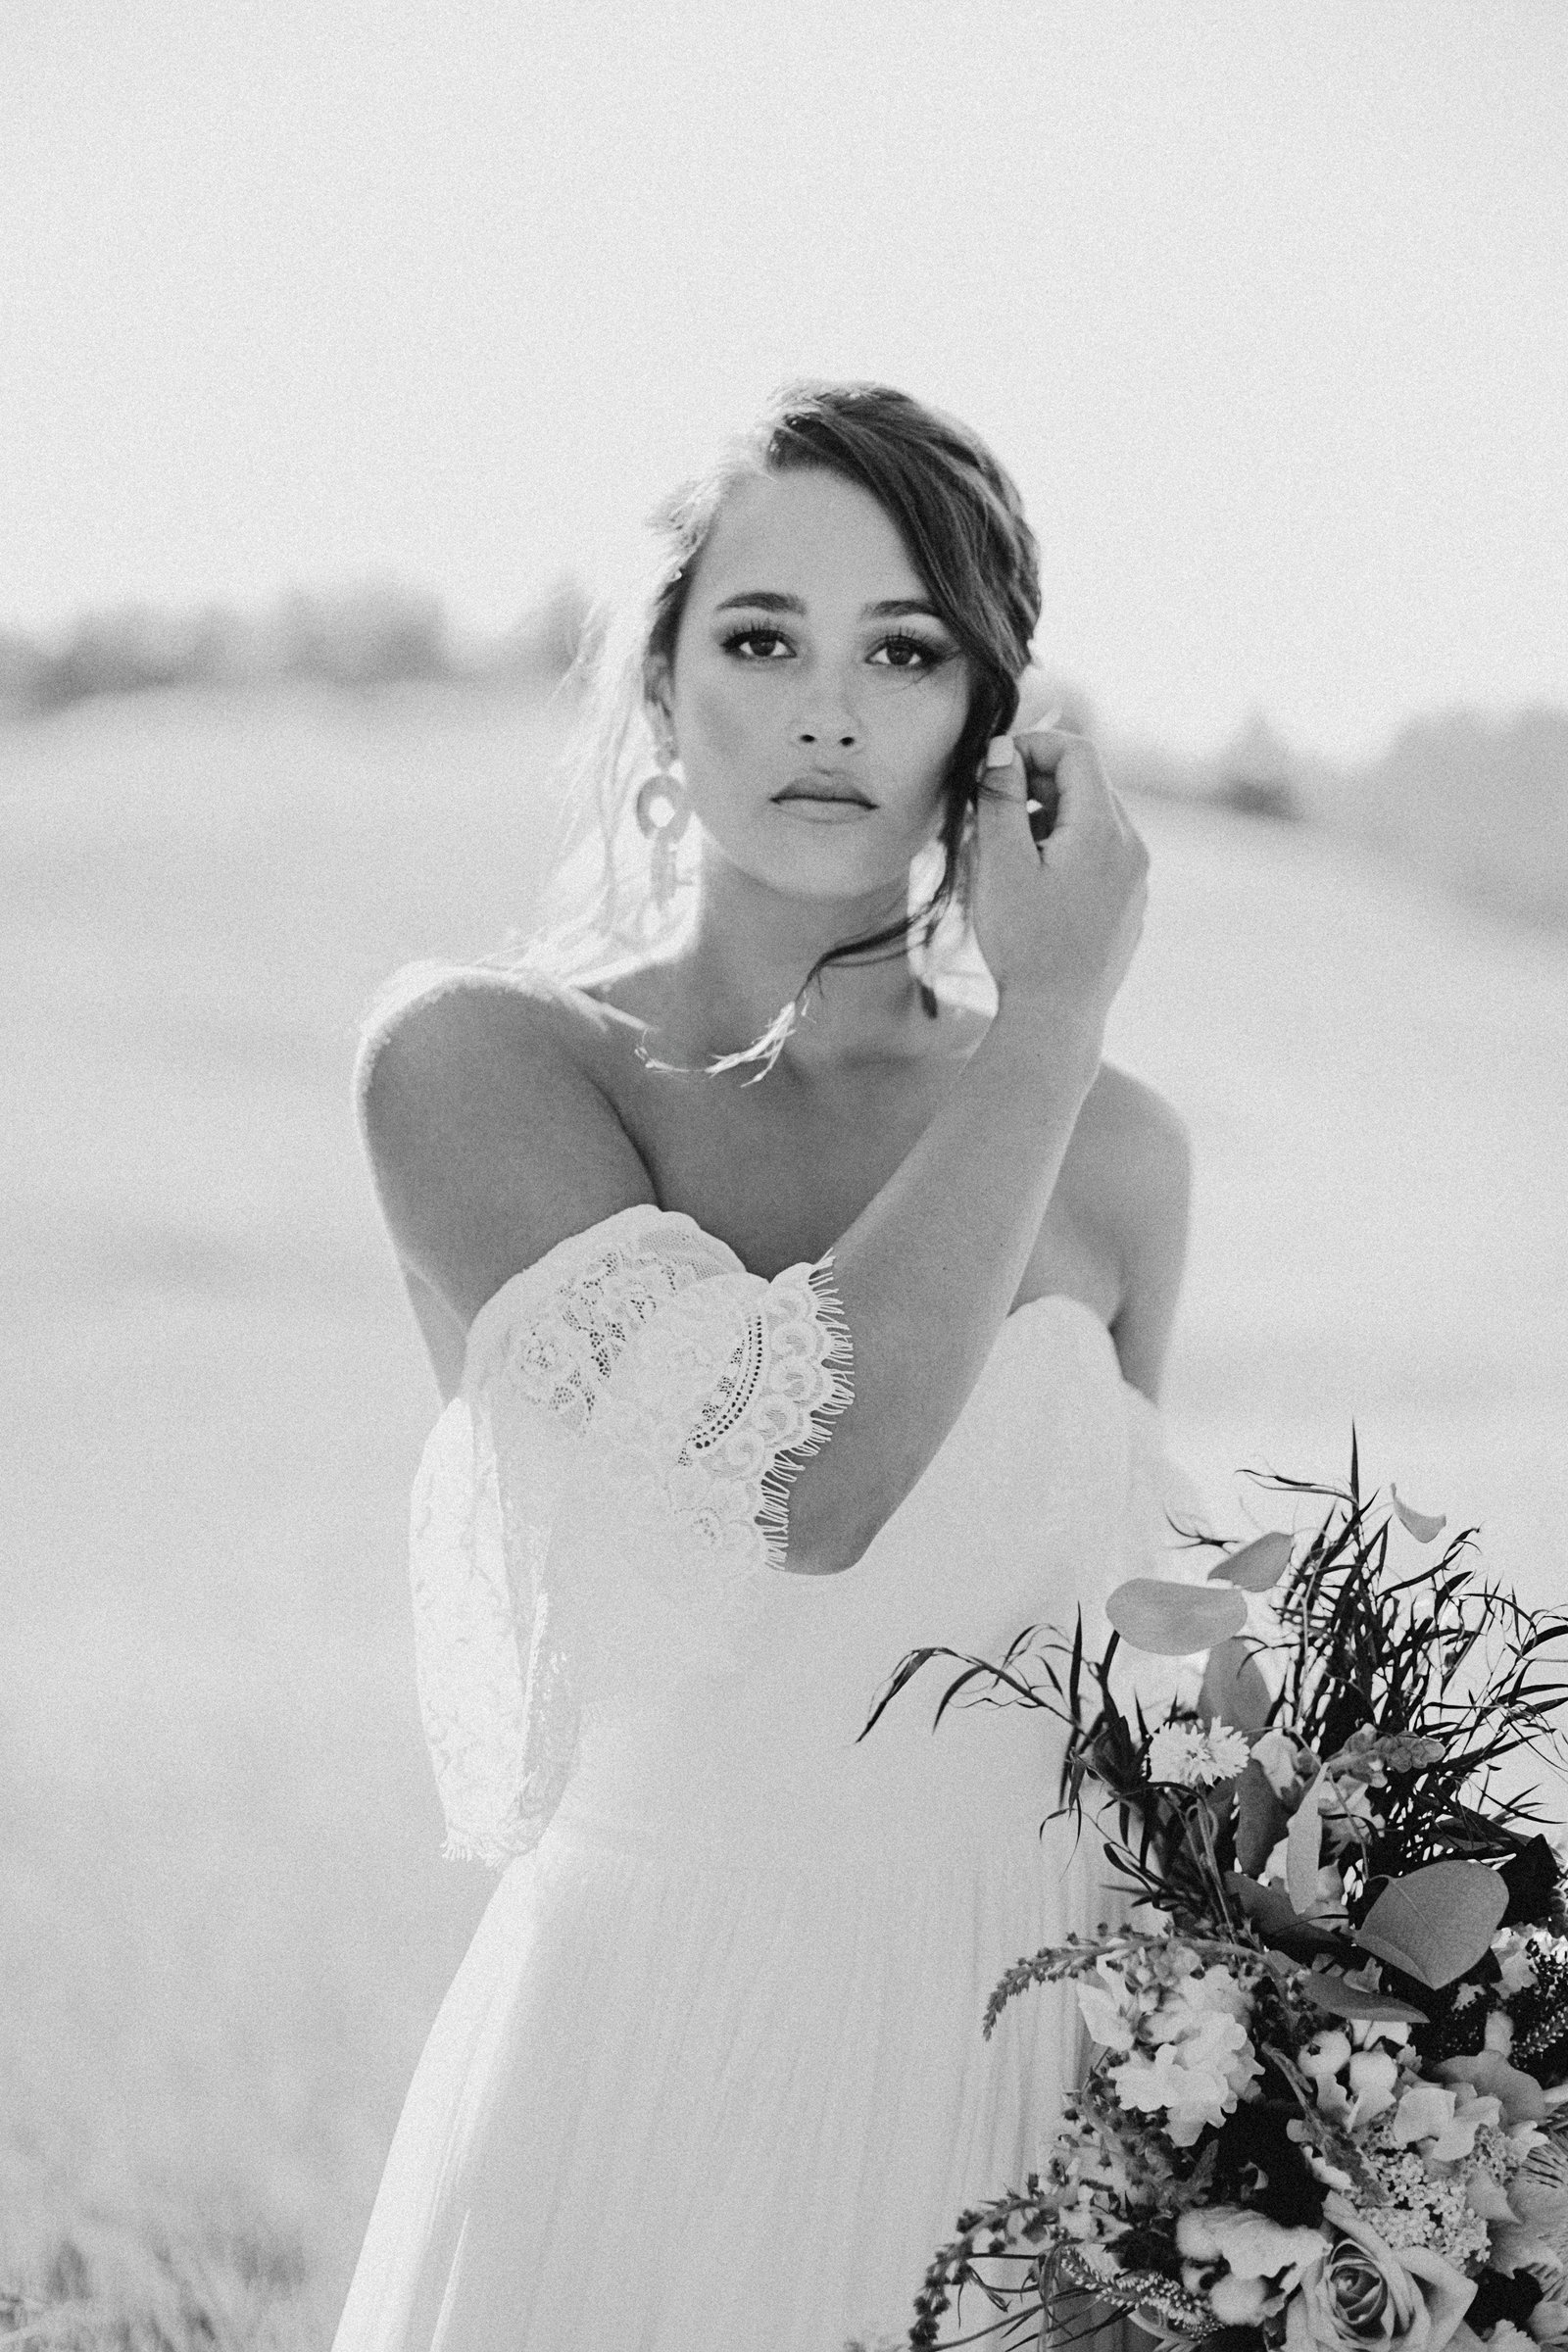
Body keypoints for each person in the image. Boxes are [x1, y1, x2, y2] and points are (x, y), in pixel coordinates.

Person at [332, 381, 1209, 2352]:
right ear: (656, 697)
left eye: (903, 652)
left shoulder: (1127, 1157)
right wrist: (1046, 1018)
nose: (829, 708)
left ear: (995, 726)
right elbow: (804, 1486)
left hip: (1042, 2094)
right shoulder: (483, 1066)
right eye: (759, 639)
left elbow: (1140, 1659)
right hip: (658, 2067)